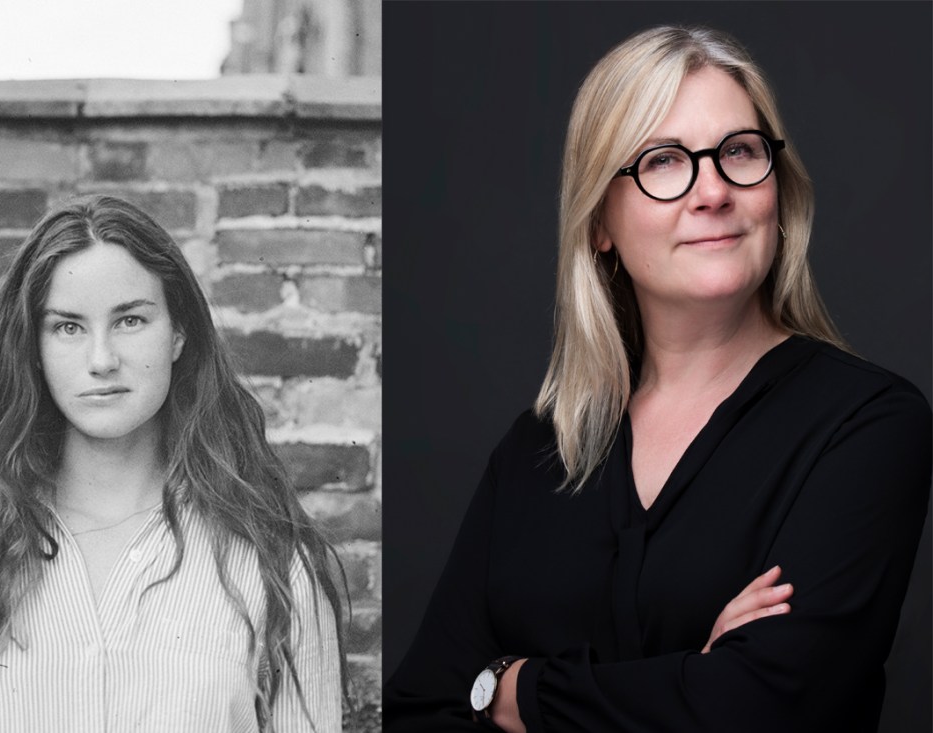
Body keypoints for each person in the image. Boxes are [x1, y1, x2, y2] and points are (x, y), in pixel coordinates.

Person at [383, 25, 931, 733]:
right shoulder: (538, 450)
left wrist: (516, 690)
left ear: (777, 188)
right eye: (662, 160)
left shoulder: (866, 426)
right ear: (600, 220)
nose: (712, 191)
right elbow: (420, 711)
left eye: (738, 152)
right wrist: (688, 678)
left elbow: (755, 711)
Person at [0, 195, 345, 732]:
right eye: (68, 327)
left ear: (178, 335)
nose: (101, 360)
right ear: (34, 347)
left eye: (130, 320)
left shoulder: (273, 566)